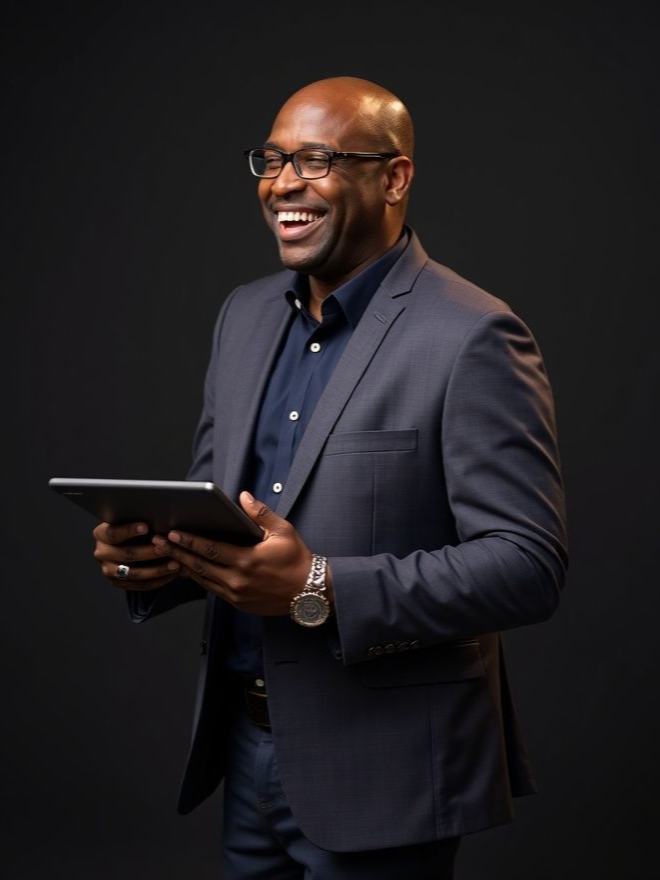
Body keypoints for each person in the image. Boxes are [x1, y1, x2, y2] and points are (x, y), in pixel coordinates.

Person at [92, 76, 567, 879]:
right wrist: (159, 559)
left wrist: (317, 584)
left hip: (386, 770)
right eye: (272, 160)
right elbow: (226, 510)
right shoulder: (243, 316)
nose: (283, 183)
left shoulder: (474, 334)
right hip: (244, 752)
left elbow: (528, 566)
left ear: (394, 178)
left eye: (316, 159)